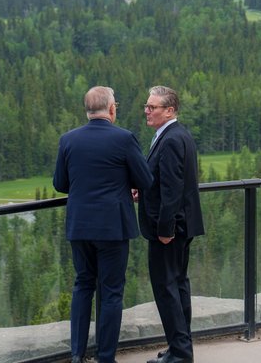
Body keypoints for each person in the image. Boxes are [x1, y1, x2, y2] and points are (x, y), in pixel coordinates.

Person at [54, 86, 153, 363]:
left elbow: (60, 184)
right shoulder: (123, 139)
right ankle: (105, 357)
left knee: (83, 285)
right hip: (113, 227)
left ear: (87, 111)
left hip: (80, 226)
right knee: (111, 292)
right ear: (111, 109)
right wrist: (127, 185)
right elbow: (145, 180)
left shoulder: (68, 140)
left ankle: (76, 355)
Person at [138, 85, 204, 363]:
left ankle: (180, 353)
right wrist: (142, 188)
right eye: (146, 106)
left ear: (170, 110)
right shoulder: (176, 134)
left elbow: (173, 189)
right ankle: (180, 347)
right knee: (177, 286)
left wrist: (164, 230)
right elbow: (164, 180)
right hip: (181, 226)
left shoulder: (172, 139)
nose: (147, 111)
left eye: (153, 107)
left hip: (170, 230)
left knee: (167, 289)